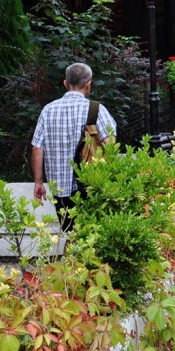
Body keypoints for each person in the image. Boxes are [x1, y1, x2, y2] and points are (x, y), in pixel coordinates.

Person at [31, 62, 117, 231]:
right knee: (92, 236)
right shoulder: (96, 109)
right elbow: (110, 145)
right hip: (92, 185)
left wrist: (38, 182)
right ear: (89, 84)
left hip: (60, 188)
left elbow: (37, 148)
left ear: (65, 83)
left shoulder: (48, 110)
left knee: (69, 232)